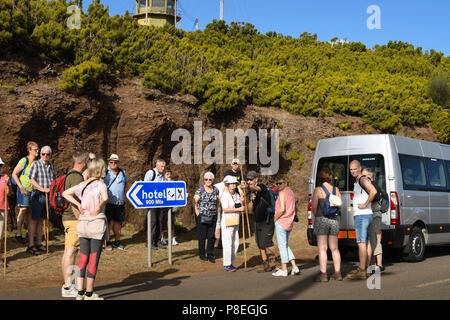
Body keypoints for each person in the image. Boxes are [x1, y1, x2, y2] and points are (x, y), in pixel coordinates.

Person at [63, 158, 109, 300]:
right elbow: (106, 198)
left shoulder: (82, 184)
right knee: (93, 259)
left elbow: (65, 193)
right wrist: (99, 207)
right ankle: (89, 294)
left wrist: (79, 204)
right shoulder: (101, 184)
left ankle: (80, 292)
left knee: (83, 258)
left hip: (83, 223)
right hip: (96, 224)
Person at [61, 150, 88, 298]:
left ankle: (67, 285)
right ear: (84, 161)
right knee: (71, 252)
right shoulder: (76, 177)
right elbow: (74, 202)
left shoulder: (70, 174)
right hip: (74, 219)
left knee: (68, 252)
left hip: (68, 218)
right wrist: (81, 220)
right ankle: (68, 286)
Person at [347, 160, 377, 280]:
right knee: (367, 242)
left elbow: (373, 191)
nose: (353, 171)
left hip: (362, 215)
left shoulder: (362, 179)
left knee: (361, 243)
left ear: (360, 168)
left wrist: (365, 204)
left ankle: (362, 270)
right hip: (367, 215)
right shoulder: (359, 180)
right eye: (351, 169)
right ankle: (368, 269)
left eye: (355, 169)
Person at [311, 168, 343, 282]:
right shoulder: (336, 190)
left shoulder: (318, 190)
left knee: (322, 248)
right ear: (330, 177)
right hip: (334, 220)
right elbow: (340, 206)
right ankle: (338, 273)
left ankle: (324, 274)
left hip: (321, 220)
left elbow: (314, 208)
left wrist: (318, 217)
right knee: (334, 248)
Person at [246, 170, 280, 273]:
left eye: (251, 179)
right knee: (260, 244)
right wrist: (252, 200)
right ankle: (266, 264)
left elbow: (255, 187)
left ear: (256, 179)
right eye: (248, 180)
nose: (249, 181)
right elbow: (250, 210)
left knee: (267, 242)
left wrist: (248, 187)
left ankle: (279, 258)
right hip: (258, 221)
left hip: (267, 220)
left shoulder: (262, 187)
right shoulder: (252, 193)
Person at [28, 146, 56, 256]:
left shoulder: (52, 166)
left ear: (50, 155)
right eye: (43, 154)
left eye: (47, 154)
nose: (45, 156)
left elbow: (54, 180)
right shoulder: (36, 164)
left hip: (48, 196)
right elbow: (31, 180)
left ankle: (39, 243)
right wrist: (42, 189)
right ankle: (31, 245)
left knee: (42, 220)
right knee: (34, 220)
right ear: (40, 154)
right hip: (38, 195)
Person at [11, 141, 39, 244]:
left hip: (33, 190)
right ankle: (18, 234)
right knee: (23, 209)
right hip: (24, 189)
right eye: (35, 149)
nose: (37, 151)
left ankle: (30, 233)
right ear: (29, 150)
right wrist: (21, 186)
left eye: (37, 149)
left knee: (31, 210)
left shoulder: (37, 162)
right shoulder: (24, 160)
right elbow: (14, 174)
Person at [272, 176, 300, 277]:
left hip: (282, 221)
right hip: (289, 222)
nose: (278, 185)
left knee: (282, 246)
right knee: (285, 245)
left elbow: (282, 209)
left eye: (280, 183)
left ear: (286, 183)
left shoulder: (282, 193)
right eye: (277, 183)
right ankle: (294, 266)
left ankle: (284, 269)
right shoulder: (292, 193)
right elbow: (296, 207)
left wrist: (275, 219)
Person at [362, 168, 385, 272]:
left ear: (370, 177)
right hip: (375, 216)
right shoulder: (374, 186)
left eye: (364, 176)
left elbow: (373, 198)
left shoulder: (373, 187)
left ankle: (377, 264)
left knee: (375, 240)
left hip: (374, 216)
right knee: (373, 240)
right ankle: (374, 264)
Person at [193, 172, 220, 263]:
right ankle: (201, 254)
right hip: (202, 217)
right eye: (206, 179)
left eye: (210, 179)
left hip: (213, 216)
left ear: (212, 180)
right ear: (204, 180)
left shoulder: (216, 190)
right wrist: (197, 212)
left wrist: (217, 210)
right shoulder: (200, 190)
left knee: (211, 236)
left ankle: (210, 254)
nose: (208, 181)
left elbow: (218, 201)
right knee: (202, 237)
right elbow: (194, 201)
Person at [220, 175, 245, 272]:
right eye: (232, 183)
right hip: (227, 222)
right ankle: (226, 264)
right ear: (228, 184)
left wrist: (242, 201)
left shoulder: (236, 195)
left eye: (235, 183)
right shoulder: (225, 195)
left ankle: (231, 263)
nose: (234, 185)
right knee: (228, 243)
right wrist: (238, 209)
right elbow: (225, 209)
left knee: (236, 243)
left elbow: (240, 205)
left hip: (236, 221)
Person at [104, 154, 128, 251]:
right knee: (108, 223)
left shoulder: (122, 172)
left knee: (118, 222)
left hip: (120, 202)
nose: (113, 164)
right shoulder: (105, 172)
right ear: (108, 162)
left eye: (115, 162)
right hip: (109, 202)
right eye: (111, 162)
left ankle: (117, 241)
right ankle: (107, 241)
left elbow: (126, 182)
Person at [144, 159, 167, 249]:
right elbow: (145, 186)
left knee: (160, 222)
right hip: (151, 202)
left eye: (164, 166)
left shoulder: (162, 175)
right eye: (161, 166)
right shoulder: (150, 173)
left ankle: (157, 242)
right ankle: (149, 242)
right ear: (157, 166)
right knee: (153, 222)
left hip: (160, 202)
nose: (163, 168)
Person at [161, 168, 179, 246]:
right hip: (162, 207)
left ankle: (173, 239)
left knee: (171, 223)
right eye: (167, 174)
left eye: (170, 174)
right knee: (162, 223)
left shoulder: (173, 183)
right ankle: (162, 238)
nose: (169, 176)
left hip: (171, 207)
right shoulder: (160, 183)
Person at [0, 157, 12, 267]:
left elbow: (9, 193)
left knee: (0, 235)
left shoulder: (5, 177)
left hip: (3, 208)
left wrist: (8, 184)